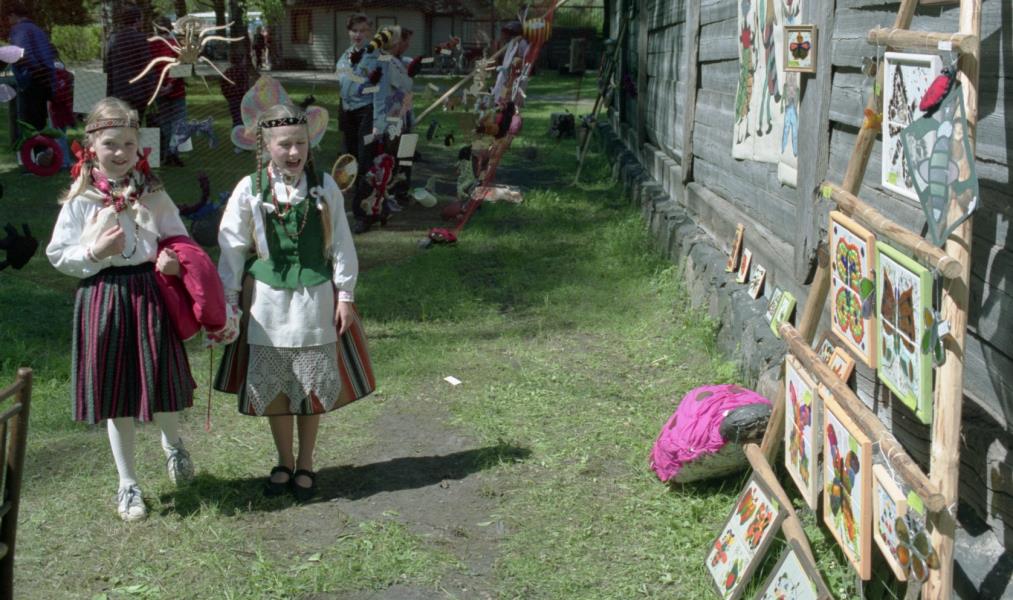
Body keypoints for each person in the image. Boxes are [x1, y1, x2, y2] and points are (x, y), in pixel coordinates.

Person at [45, 98, 198, 522]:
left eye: (129, 144)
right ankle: (127, 483)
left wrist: (173, 261)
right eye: (111, 143)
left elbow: (177, 237)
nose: (120, 152)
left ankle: (173, 445)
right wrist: (95, 252)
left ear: (139, 147)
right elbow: (58, 254)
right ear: (91, 146)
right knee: (117, 393)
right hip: (104, 298)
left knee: (160, 378)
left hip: (149, 293)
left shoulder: (152, 193)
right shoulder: (82, 200)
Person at [215, 103, 363, 501]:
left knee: (310, 385)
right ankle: (284, 459)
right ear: (265, 145)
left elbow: (342, 242)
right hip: (268, 303)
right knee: (278, 385)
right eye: (284, 144)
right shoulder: (250, 188)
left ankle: (307, 462)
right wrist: (229, 299)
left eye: (301, 142)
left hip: (315, 297)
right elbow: (231, 246)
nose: (294, 152)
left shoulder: (324, 185)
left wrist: (345, 295)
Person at [335, 13, 377, 234]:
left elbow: (378, 89)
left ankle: (364, 214)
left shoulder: (376, 56)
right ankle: (350, 208)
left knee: (365, 160)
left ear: (369, 32)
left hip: (367, 111)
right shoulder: (346, 55)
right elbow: (343, 85)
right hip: (347, 111)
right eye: (354, 30)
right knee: (348, 161)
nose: (358, 35)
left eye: (362, 30)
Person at [5, 1, 56, 132]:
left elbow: (22, 54)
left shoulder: (19, 29)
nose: (8, 21)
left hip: (32, 79)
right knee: (40, 123)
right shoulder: (37, 29)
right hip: (46, 79)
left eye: (8, 17)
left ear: (13, 15)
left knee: (28, 126)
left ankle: (32, 145)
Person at [149, 15, 187, 167]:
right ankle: (173, 152)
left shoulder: (151, 45)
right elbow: (182, 67)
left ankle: (167, 153)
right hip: (176, 90)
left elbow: (150, 68)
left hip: (159, 91)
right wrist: (170, 85)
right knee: (178, 122)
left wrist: (159, 87)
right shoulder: (177, 44)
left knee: (165, 123)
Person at [106, 5, 154, 122]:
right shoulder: (140, 38)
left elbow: (109, 67)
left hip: (119, 90)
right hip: (138, 92)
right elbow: (147, 66)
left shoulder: (114, 39)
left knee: (121, 123)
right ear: (137, 20)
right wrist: (152, 88)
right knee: (135, 123)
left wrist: (110, 91)